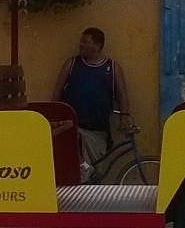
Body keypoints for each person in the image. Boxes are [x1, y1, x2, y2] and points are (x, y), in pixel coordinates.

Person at [53, 26, 129, 168]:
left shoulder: (112, 67)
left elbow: (122, 95)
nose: (81, 45)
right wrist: (56, 118)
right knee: (78, 170)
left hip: (98, 131)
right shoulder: (71, 64)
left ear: (97, 45)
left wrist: (123, 119)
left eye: (86, 41)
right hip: (73, 127)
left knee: (96, 171)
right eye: (81, 41)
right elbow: (57, 92)